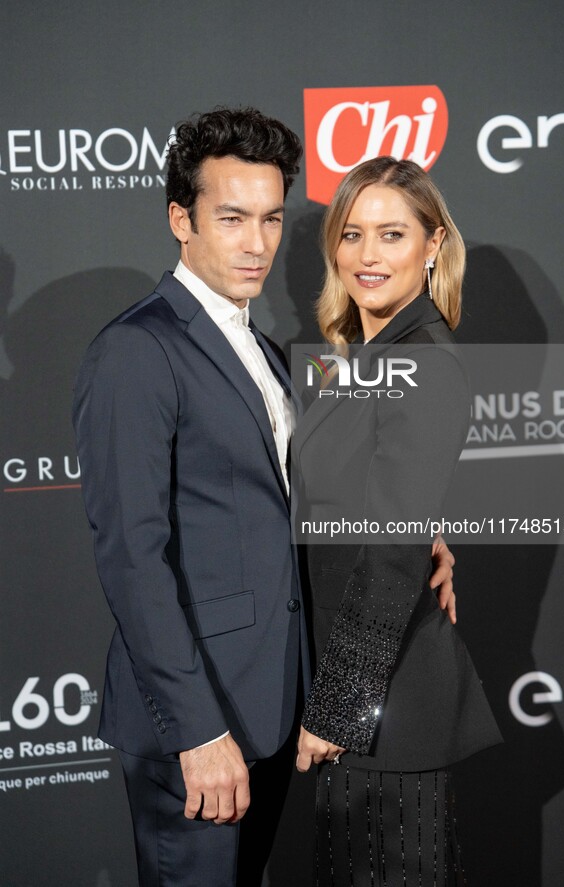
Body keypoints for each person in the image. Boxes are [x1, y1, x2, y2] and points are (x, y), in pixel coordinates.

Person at [73, 109, 457, 887]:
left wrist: (426, 535)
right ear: (181, 220)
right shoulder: (137, 350)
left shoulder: (272, 351)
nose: (256, 243)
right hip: (201, 722)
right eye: (231, 218)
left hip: (277, 706)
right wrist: (196, 730)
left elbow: (321, 493)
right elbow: (131, 558)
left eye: (272, 218)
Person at [294, 156, 502, 886]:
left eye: (391, 234)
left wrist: (337, 709)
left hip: (389, 714)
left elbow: (388, 553)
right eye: (351, 234)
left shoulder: (424, 363)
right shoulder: (367, 358)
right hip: (364, 706)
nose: (367, 255)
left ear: (432, 243)